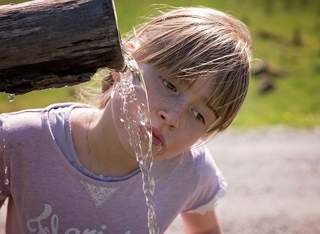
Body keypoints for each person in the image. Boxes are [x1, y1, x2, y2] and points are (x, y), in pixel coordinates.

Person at [0, 6, 251, 234]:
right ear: (126, 60)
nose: (173, 117)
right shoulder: (20, 141)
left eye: (198, 115)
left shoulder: (190, 171)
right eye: (170, 85)